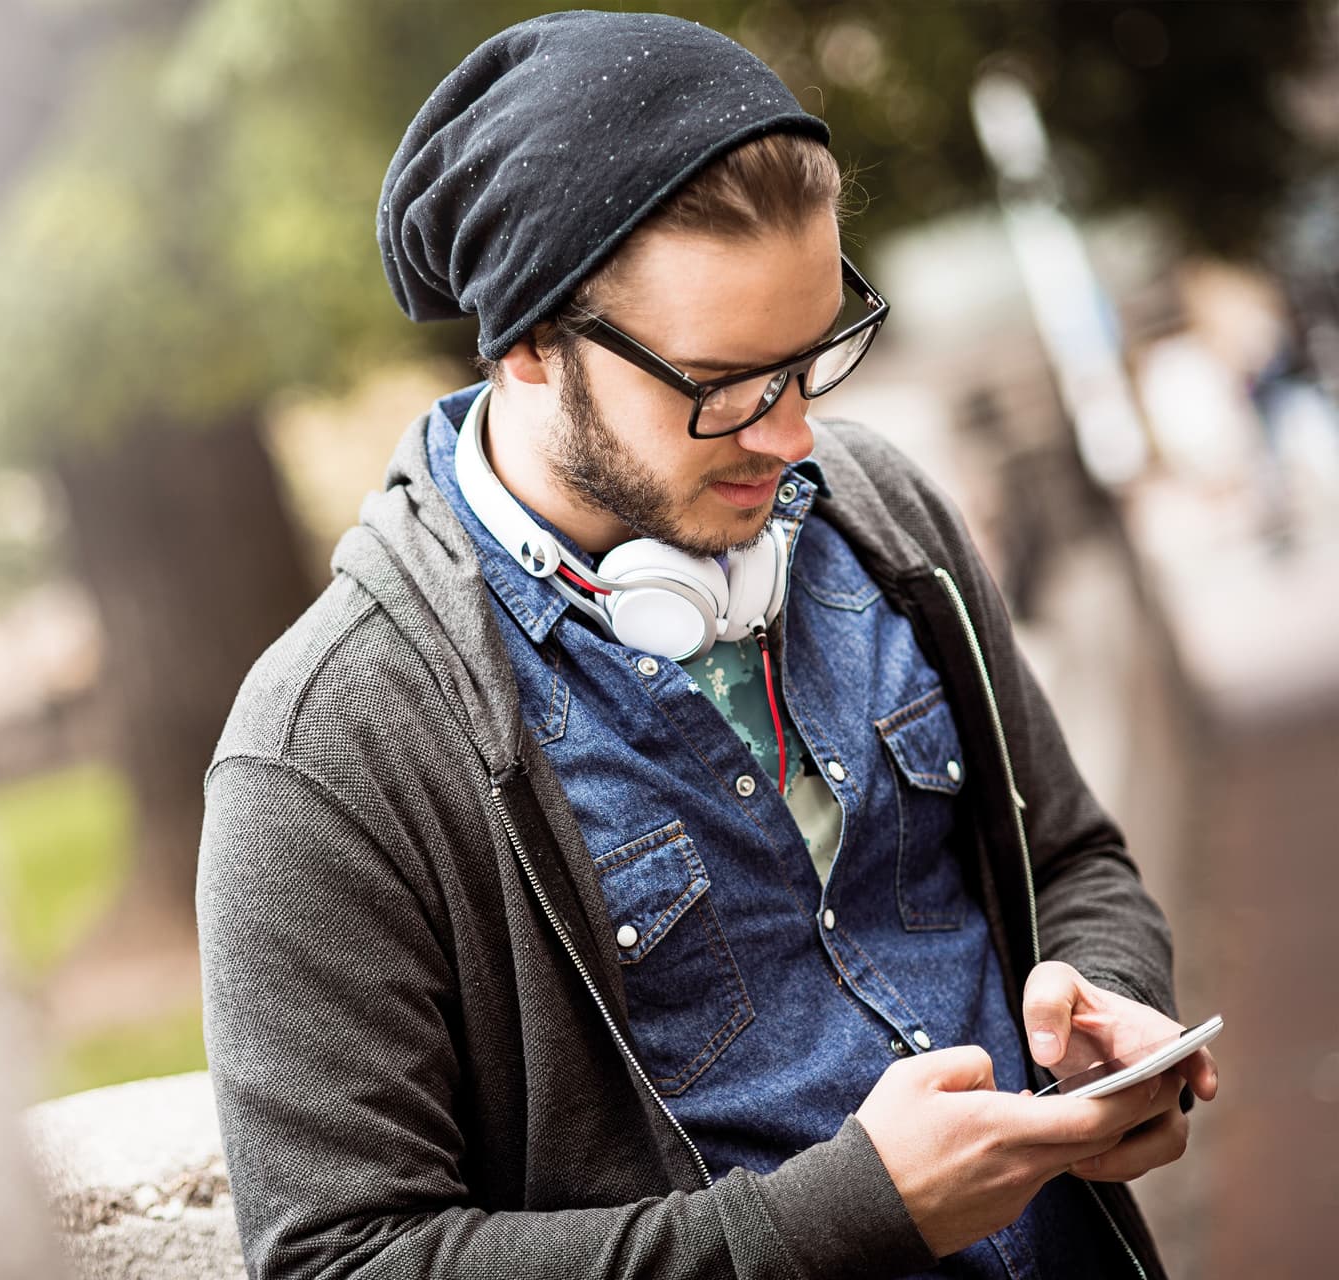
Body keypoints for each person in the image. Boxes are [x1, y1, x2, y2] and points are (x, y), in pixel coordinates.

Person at [197, 12, 1215, 1279]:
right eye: (725, 385)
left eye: (810, 360)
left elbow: (1070, 853)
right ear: (527, 339)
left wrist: (1112, 997)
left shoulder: (881, 509)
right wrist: (834, 1217)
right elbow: (340, 1259)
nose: (791, 438)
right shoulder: (327, 751)